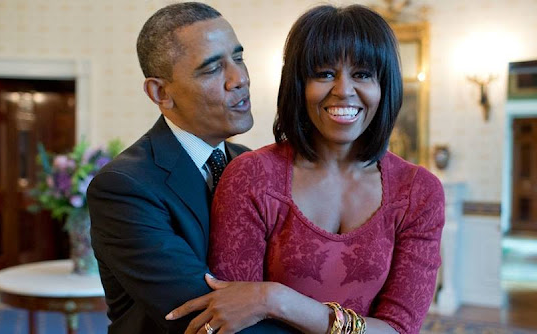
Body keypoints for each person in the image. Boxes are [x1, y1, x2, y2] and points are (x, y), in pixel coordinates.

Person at [169, 4, 445, 334]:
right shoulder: (251, 177)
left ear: (384, 86)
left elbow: (399, 329)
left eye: (362, 74)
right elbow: (236, 316)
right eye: (324, 73)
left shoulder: (419, 191)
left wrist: (274, 299)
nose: (343, 90)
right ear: (298, 85)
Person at [87, 2, 294, 333]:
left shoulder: (252, 163)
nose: (239, 78)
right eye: (212, 69)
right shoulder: (123, 186)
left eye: (238, 58)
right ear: (161, 92)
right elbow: (207, 316)